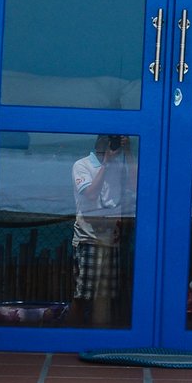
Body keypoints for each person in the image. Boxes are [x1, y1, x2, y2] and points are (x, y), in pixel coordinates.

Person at [70, 135, 133, 326]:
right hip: (88, 238)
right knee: (83, 295)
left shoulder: (119, 167)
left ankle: (100, 336)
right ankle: (71, 337)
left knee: (105, 296)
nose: (110, 145)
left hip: (111, 239)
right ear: (98, 142)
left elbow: (136, 184)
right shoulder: (81, 165)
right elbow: (91, 193)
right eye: (107, 140)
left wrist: (129, 152)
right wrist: (105, 163)